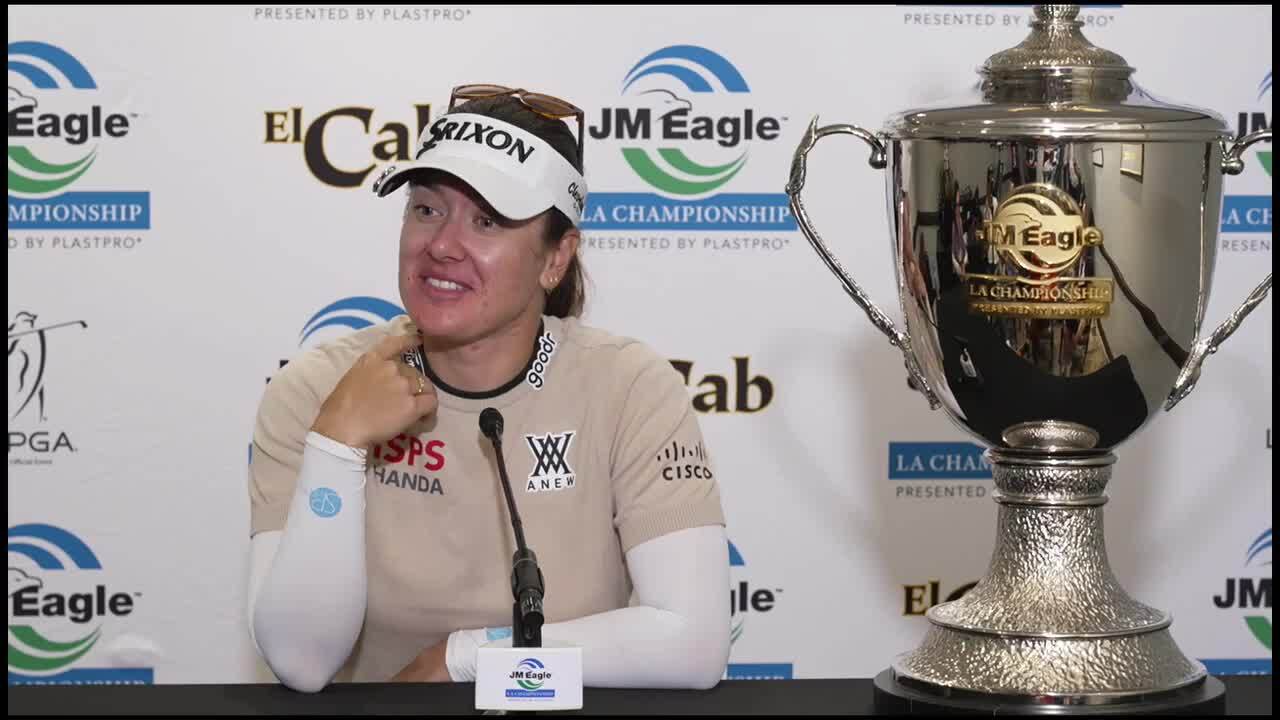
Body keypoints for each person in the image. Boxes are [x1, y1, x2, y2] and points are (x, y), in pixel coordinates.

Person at [244, 84, 731, 692]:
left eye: (488, 220)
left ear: (555, 259)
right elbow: (301, 662)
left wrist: (469, 661)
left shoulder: (629, 388)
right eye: (426, 209)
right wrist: (337, 444)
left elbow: (694, 644)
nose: (442, 246)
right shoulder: (318, 388)